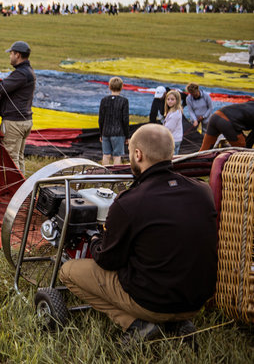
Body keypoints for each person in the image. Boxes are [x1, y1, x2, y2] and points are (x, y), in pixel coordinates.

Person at [59, 124, 218, 344]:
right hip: (196, 302)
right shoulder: (203, 191)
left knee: (68, 271)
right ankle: (177, 322)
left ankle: (137, 323)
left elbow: (108, 260)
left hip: (153, 302)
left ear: (137, 154)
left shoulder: (129, 202)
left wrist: (95, 239)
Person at [0, 41, 36, 174]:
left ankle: (15, 191)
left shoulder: (21, 74)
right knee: (19, 157)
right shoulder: (28, 71)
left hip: (14, 123)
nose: (10, 56)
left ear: (18, 55)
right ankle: (23, 189)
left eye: (11, 53)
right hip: (25, 121)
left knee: (10, 159)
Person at [98, 77, 129, 165]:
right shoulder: (124, 101)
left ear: (109, 87)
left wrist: (101, 133)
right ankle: (115, 175)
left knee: (106, 155)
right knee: (117, 156)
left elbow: (101, 119)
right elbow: (125, 120)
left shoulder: (104, 100)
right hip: (118, 133)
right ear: (121, 87)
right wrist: (127, 136)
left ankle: (105, 175)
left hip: (106, 132)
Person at [163, 89, 183, 155]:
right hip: (174, 138)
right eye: (168, 99)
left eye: (172, 99)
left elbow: (169, 128)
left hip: (173, 139)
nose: (169, 101)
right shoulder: (173, 111)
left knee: (171, 157)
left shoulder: (175, 114)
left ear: (177, 100)